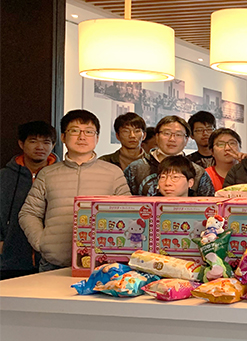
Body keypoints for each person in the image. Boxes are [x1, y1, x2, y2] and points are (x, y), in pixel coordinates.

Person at [19, 110, 130, 271]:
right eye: (75, 131)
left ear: (97, 138)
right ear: (63, 137)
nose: (82, 137)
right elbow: (28, 213)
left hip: (102, 264)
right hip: (54, 263)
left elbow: (128, 213)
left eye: (89, 132)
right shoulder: (47, 174)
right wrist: (41, 242)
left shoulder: (113, 173)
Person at [0, 121, 57, 279]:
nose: (40, 147)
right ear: (21, 144)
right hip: (9, 262)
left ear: (53, 145)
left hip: (51, 262)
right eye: (33, 141)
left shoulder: (60, 175)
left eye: (46, 142)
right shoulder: (4, 177)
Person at [124, 115, 215, 197]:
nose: (172, 139)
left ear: (186, 140)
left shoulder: (197, 172)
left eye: (178, 134)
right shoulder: (135, 169)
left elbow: (208, 205)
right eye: (166, 133)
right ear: (157, 136)